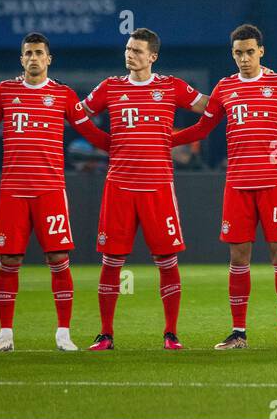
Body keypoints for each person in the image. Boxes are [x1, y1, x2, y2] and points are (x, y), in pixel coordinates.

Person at [173, 24, 277, 350]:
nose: (244, 58)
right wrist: (170, 138)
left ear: (261, 51)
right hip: (237, 184)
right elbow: (201, 128)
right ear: (232, 54)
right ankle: (239, 333)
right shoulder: (225, 88)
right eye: (238, 53)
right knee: (239, 256)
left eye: (250, 51)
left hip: (274, 183)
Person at [77, 28, 211, 351]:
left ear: (153, 56)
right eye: (127, 48)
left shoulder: (170, 86)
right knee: (111, 261)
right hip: (119, 187)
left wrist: (174, 138)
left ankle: (171, 333)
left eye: (137, 50)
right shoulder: (110, 87)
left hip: (158, 187)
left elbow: (211, 111)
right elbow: (78, 115)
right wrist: (106, 144)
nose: (130, 55)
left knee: (167, 260)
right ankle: (105, 334)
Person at [0, 33, 109, 353]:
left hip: (50, 190)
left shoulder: (63, 95)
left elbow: (89, 132)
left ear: (49, 59)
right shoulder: (6, 92)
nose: (34, 58)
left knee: (59, 258)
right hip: (13, 191)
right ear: (21, 59)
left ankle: (63, 333)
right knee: (9, 259)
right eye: (28, 53)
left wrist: (119, 145)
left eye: (39, 53)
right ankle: (5, 335)